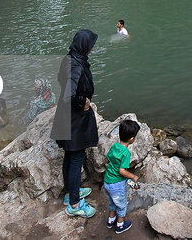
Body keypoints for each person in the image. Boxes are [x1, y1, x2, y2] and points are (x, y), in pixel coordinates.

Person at [51, 29, 99, 218]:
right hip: (74, 120)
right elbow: (68, 96)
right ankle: (74, 204)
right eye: (92, 44)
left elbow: (59, 80)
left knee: (69, 156)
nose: (93, 47)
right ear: (85, 46)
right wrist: (83, 101)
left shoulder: (69, 58)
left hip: (66, 117)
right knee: (76, 159)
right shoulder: (76, 65)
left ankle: (71, 192)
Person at [104, 118, 140, 234]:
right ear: (132, 139)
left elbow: (106, 160)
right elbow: (122, 171)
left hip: (107, 182)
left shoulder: (114, 146)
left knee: (111, 203)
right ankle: (120, 225)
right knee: (121, 205)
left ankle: (111, 221)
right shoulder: (125, 152)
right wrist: (133, 177)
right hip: (117, 184)